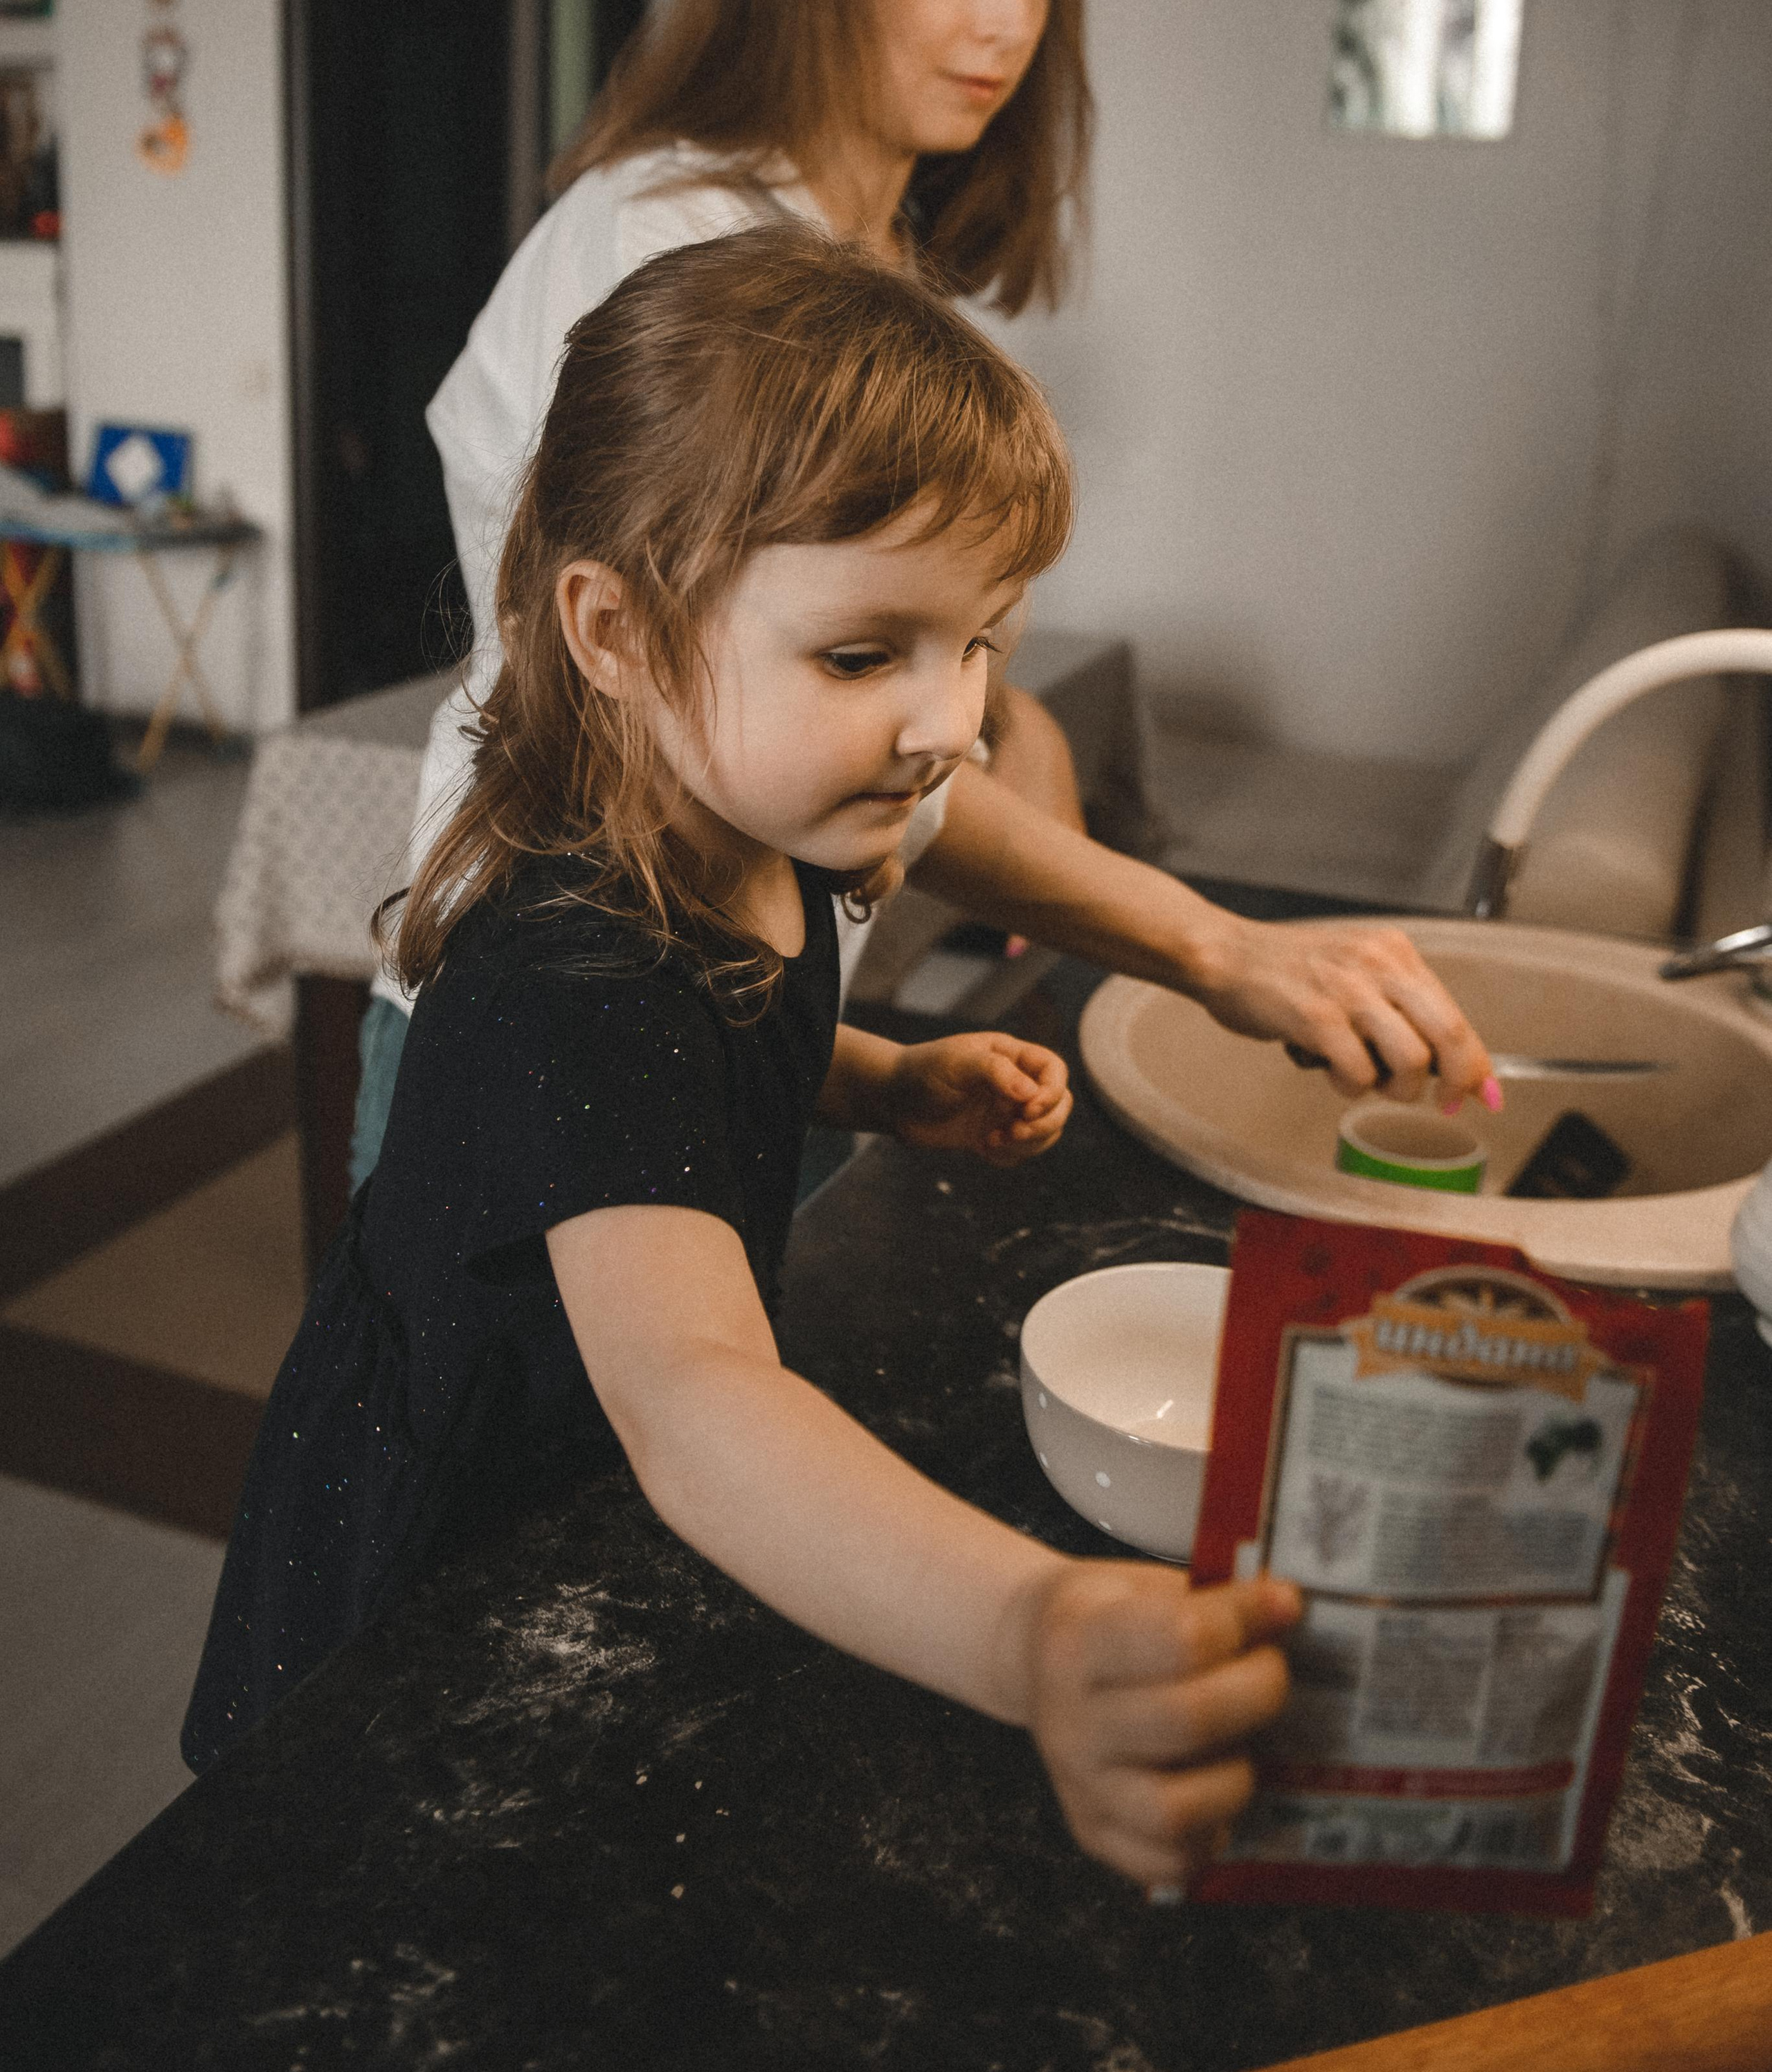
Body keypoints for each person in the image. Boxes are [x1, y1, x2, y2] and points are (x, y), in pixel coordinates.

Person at [186, 227, 1301, 1897]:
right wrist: (1027, 1628)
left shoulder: (749, 833)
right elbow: (695, 1397)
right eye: (865, 655)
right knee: (368, 1881)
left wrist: (869, 1077)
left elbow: (708, 1057)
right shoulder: (581, 959)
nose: (951, 723)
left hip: (575, 1485)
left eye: (981, 642)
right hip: (441, 1531)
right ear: (616, 630)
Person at [352, 0, 1494, 1189]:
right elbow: (720, 713)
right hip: (562, 1032)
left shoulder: (859, 247)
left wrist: (1005, 718)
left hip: (743, 1008)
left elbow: (859, 638)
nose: (1007, 20)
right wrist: (1211, 948)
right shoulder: (675, 250)